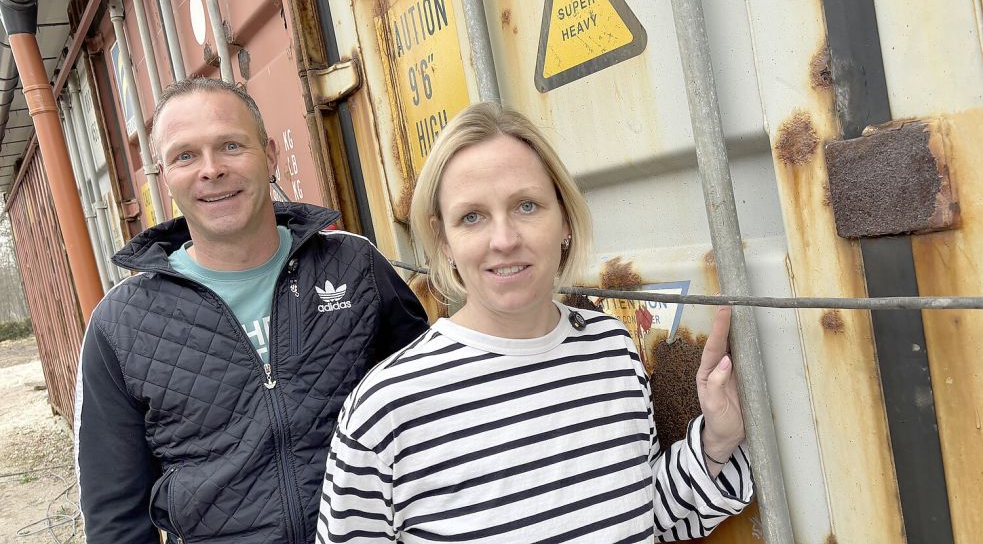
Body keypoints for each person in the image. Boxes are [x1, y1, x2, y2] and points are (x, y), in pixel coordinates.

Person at [317, 103, 753, 543]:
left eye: (526, 206)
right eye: (472, 216)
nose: (504, 240)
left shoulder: (611, 349)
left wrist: (717, 442)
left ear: (564, 219)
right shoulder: (385, 411)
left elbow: (641, 515)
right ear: (444, 240)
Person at [74, 77, 429, 544]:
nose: (211, 169)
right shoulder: (120, 324)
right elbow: (115, 514)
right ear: (163, 176)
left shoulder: (355, 266)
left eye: (230, 145)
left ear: (270, 153)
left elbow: (429, 416)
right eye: (185, 155)